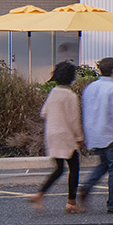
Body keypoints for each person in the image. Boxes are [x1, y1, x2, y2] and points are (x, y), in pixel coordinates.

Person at [78, 56, 113, 214]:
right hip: (111, 136)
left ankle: (87, 186)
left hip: (95, 135)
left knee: (104, 164)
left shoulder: (90, 88)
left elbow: (86, 113)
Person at [31, 61, 84, 213]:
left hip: (51, 133)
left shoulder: (53, 92)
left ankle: (40, 194)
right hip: (65, 134)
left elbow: (43, 113)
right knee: (74, 167)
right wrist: (79, 138)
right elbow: (74, 120)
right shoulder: (70, 95)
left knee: (59, 168)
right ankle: (71, 203)